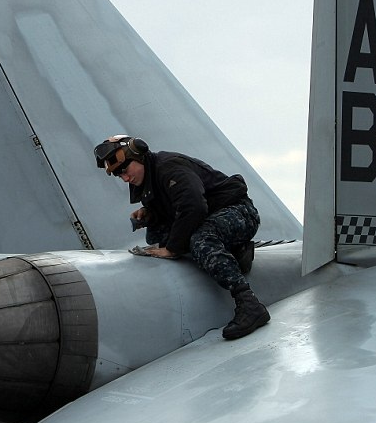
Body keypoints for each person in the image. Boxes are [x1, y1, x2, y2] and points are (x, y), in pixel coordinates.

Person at [93, 134, 270, 340]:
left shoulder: (169, 167)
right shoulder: (149, 177)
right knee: (159, 236)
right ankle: (235, 251)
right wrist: (150, 214)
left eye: (124, 170)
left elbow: (194, 207)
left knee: (201, 240)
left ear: (138, 154)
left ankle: (249, 303)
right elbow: (176, 206)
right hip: (212, 216)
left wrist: (172, 249)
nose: (124, 178)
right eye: (118, 175)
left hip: (239, 211)